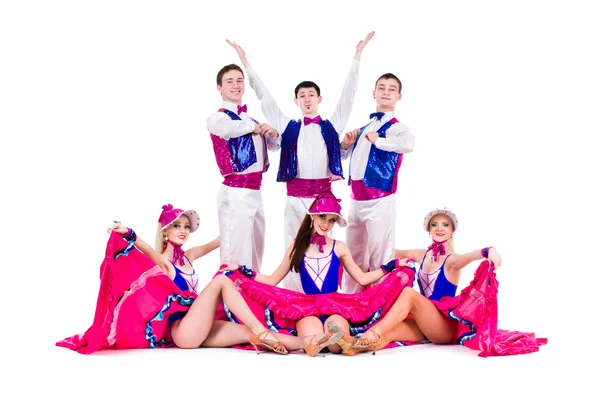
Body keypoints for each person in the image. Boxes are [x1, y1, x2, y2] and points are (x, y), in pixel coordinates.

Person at [58, 204, 339, 356]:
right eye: (176, 226)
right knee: (221, 281)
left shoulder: (189, 255)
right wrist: (129, 231)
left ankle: (310, 343)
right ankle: (261, 330)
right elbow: (145, 249)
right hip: (182, 332)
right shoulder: (164, 261)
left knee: (245, 334)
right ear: (165, 232)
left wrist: (239, 218)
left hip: (199, 325)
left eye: (186, 226)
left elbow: (219, 241)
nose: (183, 230)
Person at [226, 33, 374, 290]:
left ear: (319, 99)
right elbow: (265, 97)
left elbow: (348, 95)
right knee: (293, 249)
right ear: (296, 101)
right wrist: (246, 63)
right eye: (302, 95)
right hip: (295, 197)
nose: (307, 99)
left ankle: (324, 293)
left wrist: (357, 57)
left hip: (323, 199)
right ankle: (294, 299)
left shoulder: (332, 124)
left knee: (324, 248)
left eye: (311, 95)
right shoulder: (287, 126)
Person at [329, 208, 546, 356]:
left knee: (408, 294)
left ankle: (369, 334)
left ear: (452, 231)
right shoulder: (421, 253)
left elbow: (470, 256)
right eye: (435, 224)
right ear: (429, 229)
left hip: (443, 326)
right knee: (392, 331)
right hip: (423, 321)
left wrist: (490, 251)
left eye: (445, 225)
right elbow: (385, 250)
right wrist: (353, 248)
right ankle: (354, 347)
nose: (439, 228)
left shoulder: (452, 261)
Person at [220, 191, 399, 355]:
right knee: (310, 340)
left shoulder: (339, 248)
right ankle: (320, 342)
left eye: (331, 220)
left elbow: (362, 278)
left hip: (335, 304)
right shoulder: (297, 247)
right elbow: (272, 280)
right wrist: (243, 271)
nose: (326, 224)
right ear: (312, 216)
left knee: (336, 345)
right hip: (307, 307)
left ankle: (342, 343)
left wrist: (391, 266)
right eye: (322, 217)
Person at [339, 72, 415, 294]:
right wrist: (346, 144)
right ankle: (350, 302)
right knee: (353, 254)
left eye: (391, 89)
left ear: (399, 96)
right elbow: (346, 157)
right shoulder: (364, 127)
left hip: (379, 199)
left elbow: (408, 145)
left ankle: (379, 304)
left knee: (381, 254)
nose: (386, 92)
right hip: (355, 199)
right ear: (374, 93)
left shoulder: (398, 128)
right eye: (382, 87)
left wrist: (378, 140)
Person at [207, 63, 280, 272]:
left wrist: (272, 133)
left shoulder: (251, 119)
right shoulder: (218, 118)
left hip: (256, 192)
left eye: (239, 80)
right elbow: (227, 129)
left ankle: (253, 297)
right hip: (235, 192)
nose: (236, 85)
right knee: (235, 252)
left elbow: (273, 147)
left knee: (257, 249)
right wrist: (253, 127)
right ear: (219, 87)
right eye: (229, 81)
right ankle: (231, 300)